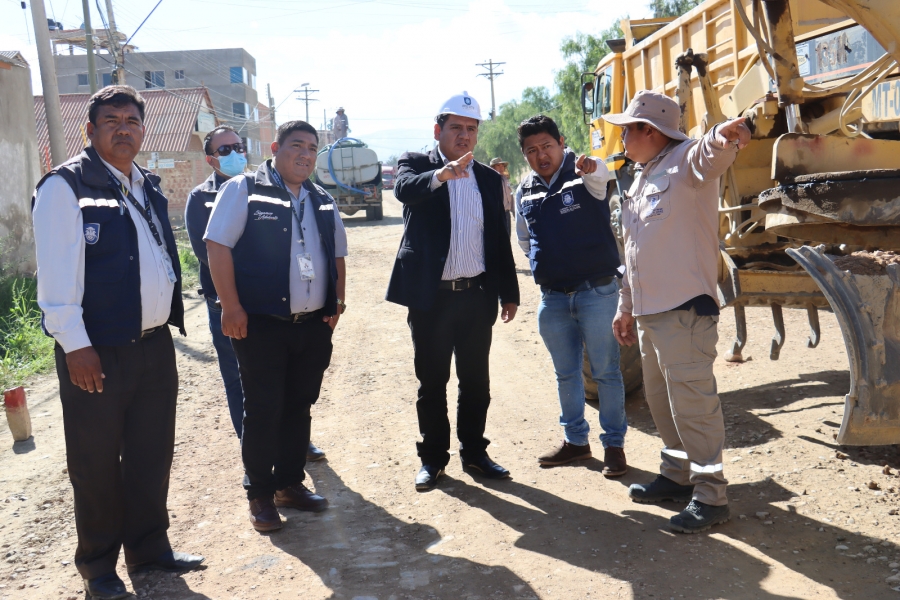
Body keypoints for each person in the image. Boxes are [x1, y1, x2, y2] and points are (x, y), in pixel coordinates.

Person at [32, 85, 204, 600]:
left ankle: (149, 549)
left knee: (152, 455)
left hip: (153, 345)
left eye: (132, 120)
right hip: (96, 350)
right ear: (90, 130)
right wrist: (74, 346)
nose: (123, 128)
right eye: (111, 120)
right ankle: (98, 567)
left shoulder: (146, 184)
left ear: (143, 130)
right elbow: (57, 277)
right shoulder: (66, 186)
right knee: (96, 462)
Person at [606, 91, 750, 533]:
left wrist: (725, 136)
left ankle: (710, 495)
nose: (623, 137)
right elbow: (633, 252)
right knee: (660, 401)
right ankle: (676, 476)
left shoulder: (687, 159)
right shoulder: (643, 177)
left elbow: (711, 152)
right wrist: (624, 306)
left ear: (650, 130)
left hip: (686, 309)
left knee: (692, 403)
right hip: (651, 314)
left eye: (628, 128)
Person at [205, 120, 348, 532]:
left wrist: (336, 304)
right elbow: (218, 246)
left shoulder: (321, 198)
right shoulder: (244, 190)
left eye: (312, 148)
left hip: (311, 325)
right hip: (261, 324)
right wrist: (230, 307)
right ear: (275, 147)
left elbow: (337, 255)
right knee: (264, 409)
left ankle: (289, 484)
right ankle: (261, 495)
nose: (305, 154)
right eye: (296, 145)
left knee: (298, 406)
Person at [387, 91, 520, 491]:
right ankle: (433, 459)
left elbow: (498, 240)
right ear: (438, 130)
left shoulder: (488, 179)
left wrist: (508, 292)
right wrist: (441, 176)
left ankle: (475, 453)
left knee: (476, 381)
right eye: (456, 128)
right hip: (432, 298)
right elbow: (404, 190)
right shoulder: (416, 164)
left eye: (471, 129)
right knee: (432, 383)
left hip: (476, 296)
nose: (464, 136)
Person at [184, 125, 327, 462]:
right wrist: (241, 294)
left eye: (238, 146)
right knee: (239, 379)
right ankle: (254, 447)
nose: (233, 153)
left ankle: (294, 444)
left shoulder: (266, 188)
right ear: (210, 159)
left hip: (271, 304)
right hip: (228, 302)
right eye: (224, 150)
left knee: (286, 380)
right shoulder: (201, 197)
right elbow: (209, 251)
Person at [514, 115, 627, 476]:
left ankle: (614, 446)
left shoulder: (585, 173)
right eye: (532, 150)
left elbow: (603, 177)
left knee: (606, 372)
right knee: (566, 375)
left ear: (561, 142)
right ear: (525, 155)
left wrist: (593, 166)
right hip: (553, 299)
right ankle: (576, 442)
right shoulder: (524, 190)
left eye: (547, 146)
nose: (541, 155)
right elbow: (524, 238)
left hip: (597, 292)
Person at [489, 157, 514, 235]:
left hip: (507, 213)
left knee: (507, 236)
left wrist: (514, 212)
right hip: (497, 214)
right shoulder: (490, 181)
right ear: (493, 168)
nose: (501, 168)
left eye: (502, 165)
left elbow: (511, 196)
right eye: (498, 166)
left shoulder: (505, 180)